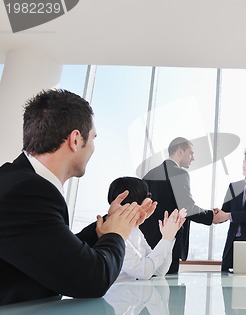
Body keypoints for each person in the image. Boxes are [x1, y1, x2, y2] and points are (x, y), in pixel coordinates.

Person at [0, 89, 156, 305]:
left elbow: (56, 255)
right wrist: (117, 234)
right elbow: (92, 280)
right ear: (75, 139)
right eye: (93, 138)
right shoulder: (27, 191)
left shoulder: (19, 182)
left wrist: (108, 226)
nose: (93, 147)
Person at [140, 137, 214, 274]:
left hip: (147, 243)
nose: (193, 158)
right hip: (169, 243)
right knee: (169, 291)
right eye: (191, 153)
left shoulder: (148, 175)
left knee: (147, 289)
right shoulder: (180, 173)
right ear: (180, 152)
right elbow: (187, 208)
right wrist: (212, 216)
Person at [107, 177, 187, 281]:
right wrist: (166, 239)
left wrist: (169, 237)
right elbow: (143, 272)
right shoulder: (114, 233)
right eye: (148, 196)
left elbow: (159, 271)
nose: (152, 201)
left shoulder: (135, 231)